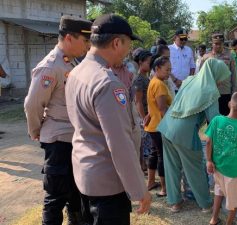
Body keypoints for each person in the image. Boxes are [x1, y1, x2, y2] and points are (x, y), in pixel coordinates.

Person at [65, 14, 151, 224]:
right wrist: (139, 189)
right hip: (108, 185)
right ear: (116, 42)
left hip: (85, 174)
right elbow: (119, 143)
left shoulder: (76, 72)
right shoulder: (107, 83)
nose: (128, 52)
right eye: (128, 45)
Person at [23, 15, 92, 225]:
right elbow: (32, 104)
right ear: (70, 38)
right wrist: (35, 130)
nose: (88, 45)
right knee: (56, 198)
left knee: (76, 195)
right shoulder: (50, 66)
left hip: (73, 140)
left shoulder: (70, 62)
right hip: (59, 142)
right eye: (85, 40)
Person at [157, 58, 231, 213]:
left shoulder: (190, 80)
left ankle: (175, 203)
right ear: (215, 75)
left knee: (171, 167)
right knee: (195, 169)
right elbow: (214, 122)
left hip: (167, 126)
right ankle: (205, 204)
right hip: (184, 133)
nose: (220, 83)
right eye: (220, 79)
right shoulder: (210, 92)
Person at [205, 92, 237, 225]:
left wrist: (209, 160)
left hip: (217, 167)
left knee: (218, 191)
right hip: (234, 172)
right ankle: (229, 223)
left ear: (229, 104)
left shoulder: (216, 120)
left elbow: (208, 142)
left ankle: (214, 219)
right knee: (234, 201)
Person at [145, 56, 172, 197]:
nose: (169, 72)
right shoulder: (159, 84)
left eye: (170, 69)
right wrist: (169, 128)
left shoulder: (154, 82)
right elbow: (162, 109)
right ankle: (164, 189)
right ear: (157, 69)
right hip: (159, 126)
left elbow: (152, 105)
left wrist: (149, 115)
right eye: (167, 69)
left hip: (153, 125)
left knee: (154, 153)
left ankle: (150, 182)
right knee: (162, 156)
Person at [200, 33, 237, 116]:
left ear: (223, 44)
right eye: (216, 44)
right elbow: (201, 76)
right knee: (211, 120)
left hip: (225, 93)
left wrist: (234, 94)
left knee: (224, 118)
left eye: (220, 44)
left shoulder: (230, 56)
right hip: (211, 94)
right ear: (212, 44)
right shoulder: (206, 57)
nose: (218, 46)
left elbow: (234, 77)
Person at [132, 50, 153, 172]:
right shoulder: (139, 79)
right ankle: (141, 166)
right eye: (149, 62)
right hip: (143, 116)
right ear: (140, 62)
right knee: (141, 144)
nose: (151, 65)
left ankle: (143, 165)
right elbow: (138, 101)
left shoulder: (145, 77)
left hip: (147, 114)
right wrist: (144, 117)